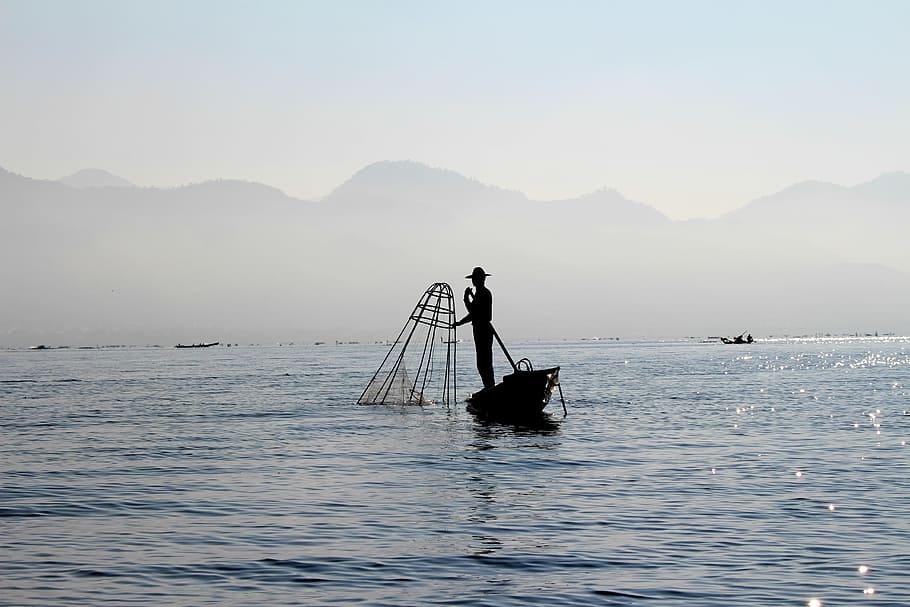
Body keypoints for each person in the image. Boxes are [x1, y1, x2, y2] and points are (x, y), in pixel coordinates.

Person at [454, 266, 495, 390]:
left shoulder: (484, 294)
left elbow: (474, 313)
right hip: (479, 330)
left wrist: (466, 299)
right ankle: (488, 386)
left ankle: (490, 387)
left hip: (484, 330)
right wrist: (460, 323)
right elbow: (474, 314)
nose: (475, 281)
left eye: (477, 279)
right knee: (482, 362)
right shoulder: (479, 294)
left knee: (484, 362)